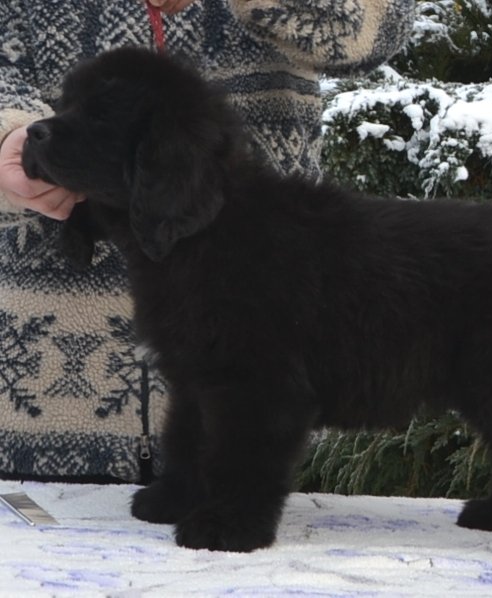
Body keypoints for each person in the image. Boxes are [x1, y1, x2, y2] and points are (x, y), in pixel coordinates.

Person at [0, 0, 414, 482]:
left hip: (261, 367)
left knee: (241, 526)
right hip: (42, 383)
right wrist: (7, 132)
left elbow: (381, 27)